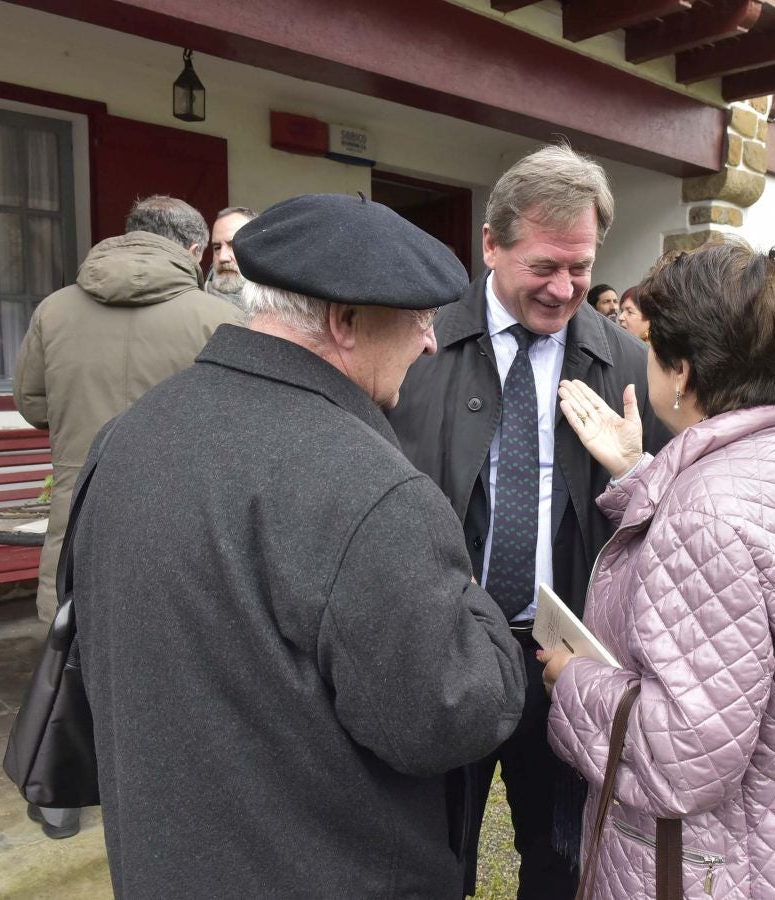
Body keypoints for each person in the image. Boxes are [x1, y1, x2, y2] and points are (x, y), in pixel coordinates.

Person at [74, 194, 527, 898]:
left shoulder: (128, 435)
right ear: (345, 321)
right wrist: (481, 615)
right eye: (419, 319)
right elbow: (447, 718)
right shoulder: (371, 492)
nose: (431, 343)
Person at [540, 241, 775, 899]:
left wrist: (572, 679)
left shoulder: (708, 512)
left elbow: (681, 756)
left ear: (682, 372)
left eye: (654, 347)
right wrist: (639, 472)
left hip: (738, 860)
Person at [386, 145, 668, 899]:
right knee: (435, 855)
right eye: (544, 265)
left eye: (581, 266)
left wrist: (641, 475)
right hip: (442, 653)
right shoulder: (416, 344)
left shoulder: (627, 362)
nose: (566, 286)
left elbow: (671, 516)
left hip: (566, 659)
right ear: (491, 244)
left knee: (563, 856)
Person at [11, 195, 240, 840]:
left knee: (74, 651)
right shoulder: (215, 318)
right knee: (174, 667)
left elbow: (32, 403)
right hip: (178, 522)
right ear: (194, 252)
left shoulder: (54, 309)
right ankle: (161, 801)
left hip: (77, 519)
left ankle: (59, 797)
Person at [204, 205, 257, 307]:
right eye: (217, 247)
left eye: (233, 245)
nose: (222, 257)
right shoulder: (197, 306)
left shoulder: (284, 308)